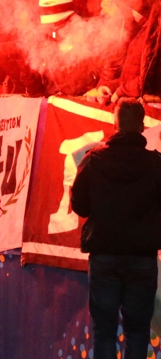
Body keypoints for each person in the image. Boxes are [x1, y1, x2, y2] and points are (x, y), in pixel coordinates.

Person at [71, 99, 161, 359]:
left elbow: (80, 207)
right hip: (142, 260)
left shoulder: (93, 160)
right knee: (137, 331)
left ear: (115, 123)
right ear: (142, 126)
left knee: (104, 331)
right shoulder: (156, 165)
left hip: (104, 258)